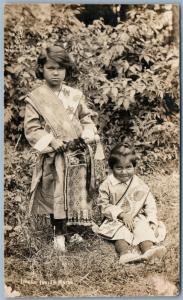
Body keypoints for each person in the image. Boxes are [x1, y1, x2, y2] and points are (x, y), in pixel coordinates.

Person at [24, 45, 103, 252]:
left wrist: (88, 131)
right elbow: (32, 129)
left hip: (76, 153)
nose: (56, 73)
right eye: (51, 68)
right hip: (55, 156)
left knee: (77, 191)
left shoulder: (74, 95)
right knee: (57, 194)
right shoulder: (36, 98)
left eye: (60, 68)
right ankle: (58, 235)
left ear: (66, 69)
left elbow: (86, 118)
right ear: (42, 69)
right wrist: (50, 141)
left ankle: (74, 230)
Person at [96, 142, 166, 264]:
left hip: (136, 216)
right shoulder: (107, 185)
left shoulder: (138, 183)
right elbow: (103, 205)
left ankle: (149, 252)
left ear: (134, 167)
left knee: (144, 228)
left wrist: (151, 220)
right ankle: (125, 254)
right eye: (119, 168)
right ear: (111, 168)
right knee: (121, 233)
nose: (124, 172)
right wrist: (121, 215)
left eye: (128, 167)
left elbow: (150, 203)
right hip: (116, 219)